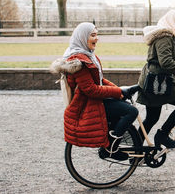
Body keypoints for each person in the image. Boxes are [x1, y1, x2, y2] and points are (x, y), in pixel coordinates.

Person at [50, 22, 138, 160]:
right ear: (82, 37)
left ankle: (111, 140)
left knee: (124, 106)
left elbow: (100, 81)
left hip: (94, 100)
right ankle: (111, 148)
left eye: (97, 35)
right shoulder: (78, 61)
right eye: (93, 35)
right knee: (131, 111)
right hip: (88, 104)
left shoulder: (89, 56)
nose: (96, 38)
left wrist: (120, 90)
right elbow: (91, 90)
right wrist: (117, 92)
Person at [137, 10, 175, 149]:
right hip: (157, 82)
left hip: (156, 81)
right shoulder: (165, 36)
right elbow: (166, 63)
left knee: (151, 118)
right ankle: (162, 135)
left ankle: (136, 148)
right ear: (174, 21)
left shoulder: (167, 35)